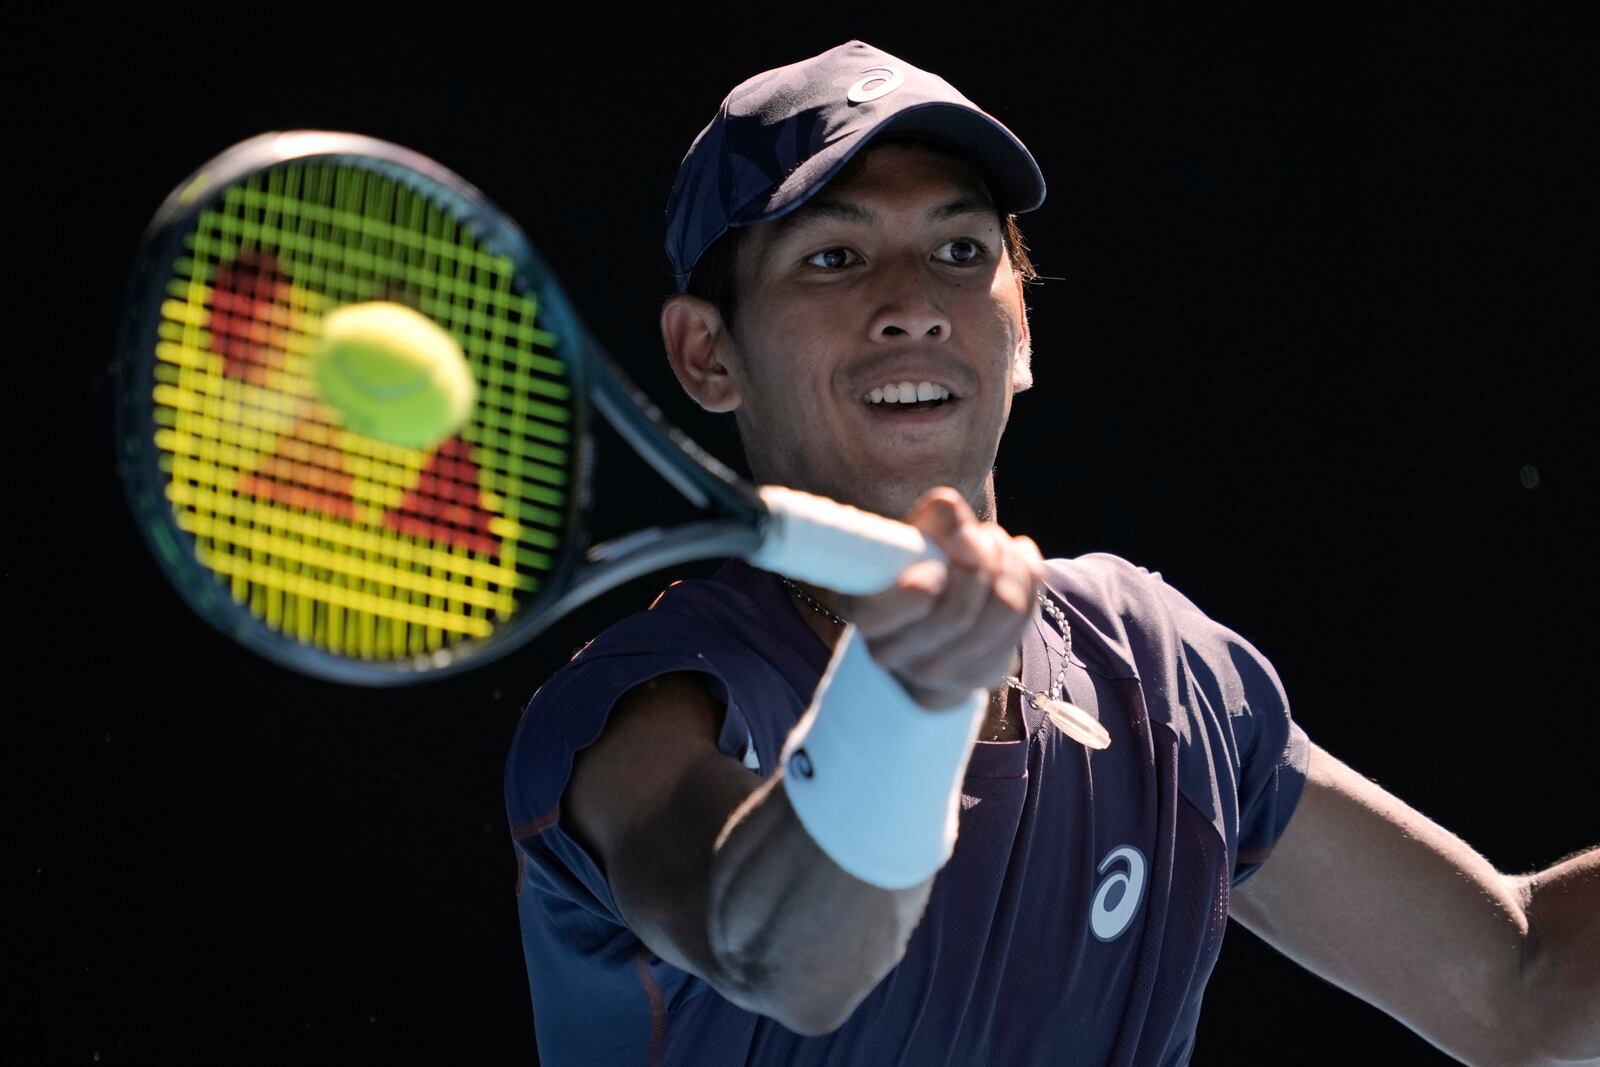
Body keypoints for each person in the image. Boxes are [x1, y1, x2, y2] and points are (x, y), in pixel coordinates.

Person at [505, 40, 1597, 1066]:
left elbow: (1519, 982)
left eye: (960, 249)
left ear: (1019, 325)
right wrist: (906, 696)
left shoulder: (1162, 673)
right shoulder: (644, 711)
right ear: (707, 352)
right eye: (833, 257)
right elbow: (784, 958)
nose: (911, 306)